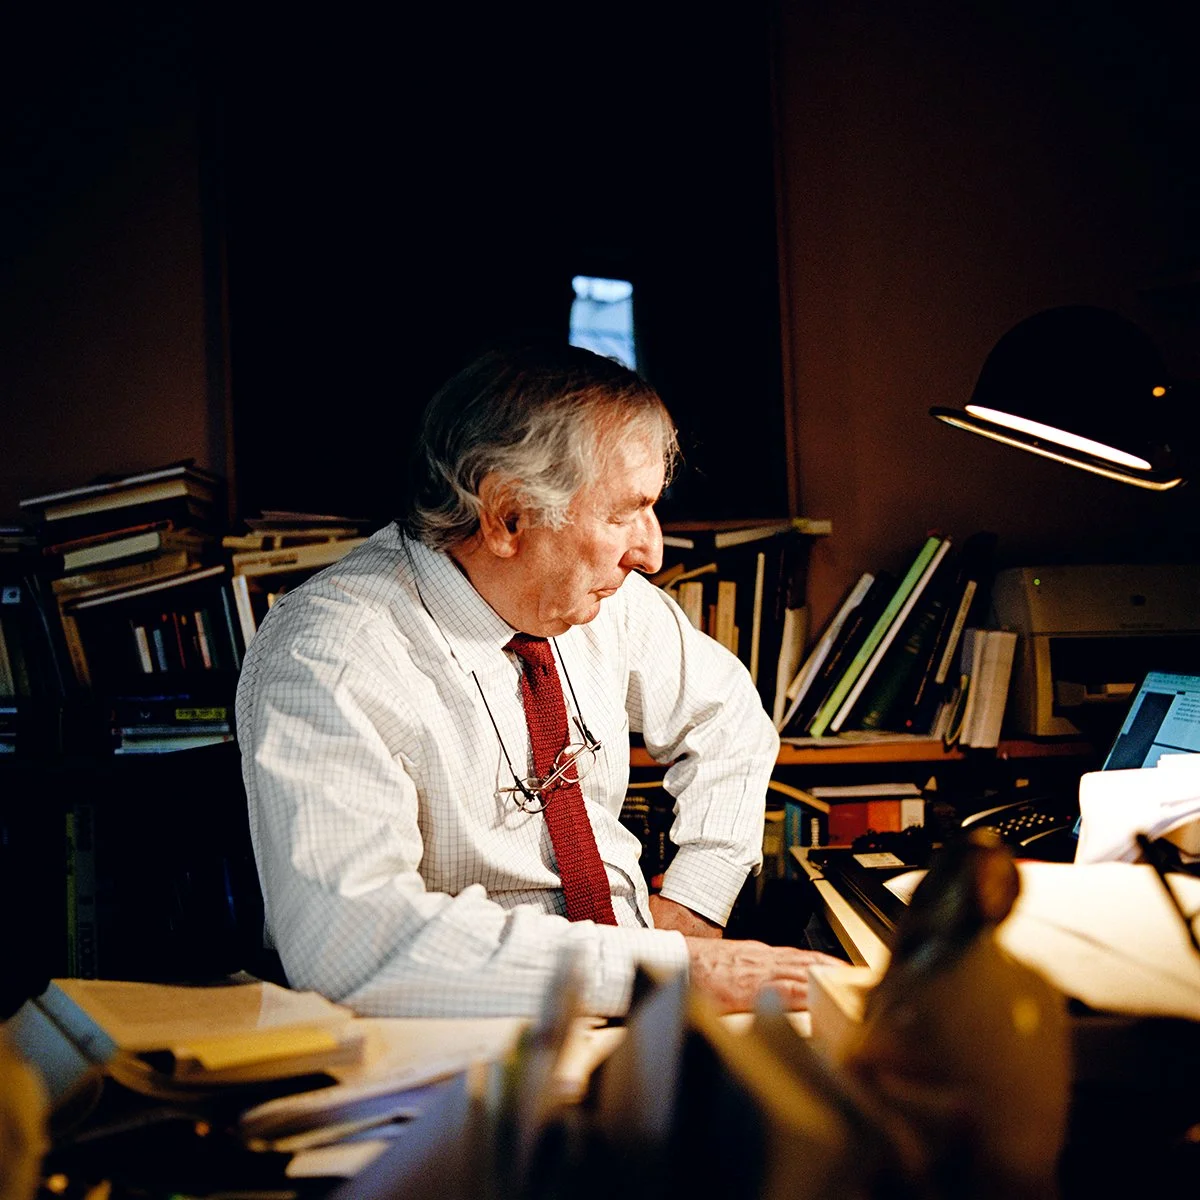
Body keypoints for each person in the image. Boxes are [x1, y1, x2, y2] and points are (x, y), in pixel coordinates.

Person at [236, 343, 839, 1018]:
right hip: (453, 1036)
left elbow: (729, 718)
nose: (652, 552)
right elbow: (352, 944)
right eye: (624, 513)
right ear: (507, 516)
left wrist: (697, 902)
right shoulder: (329, 651)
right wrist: (664, 971)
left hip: (644, 1010)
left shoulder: (609, 601)